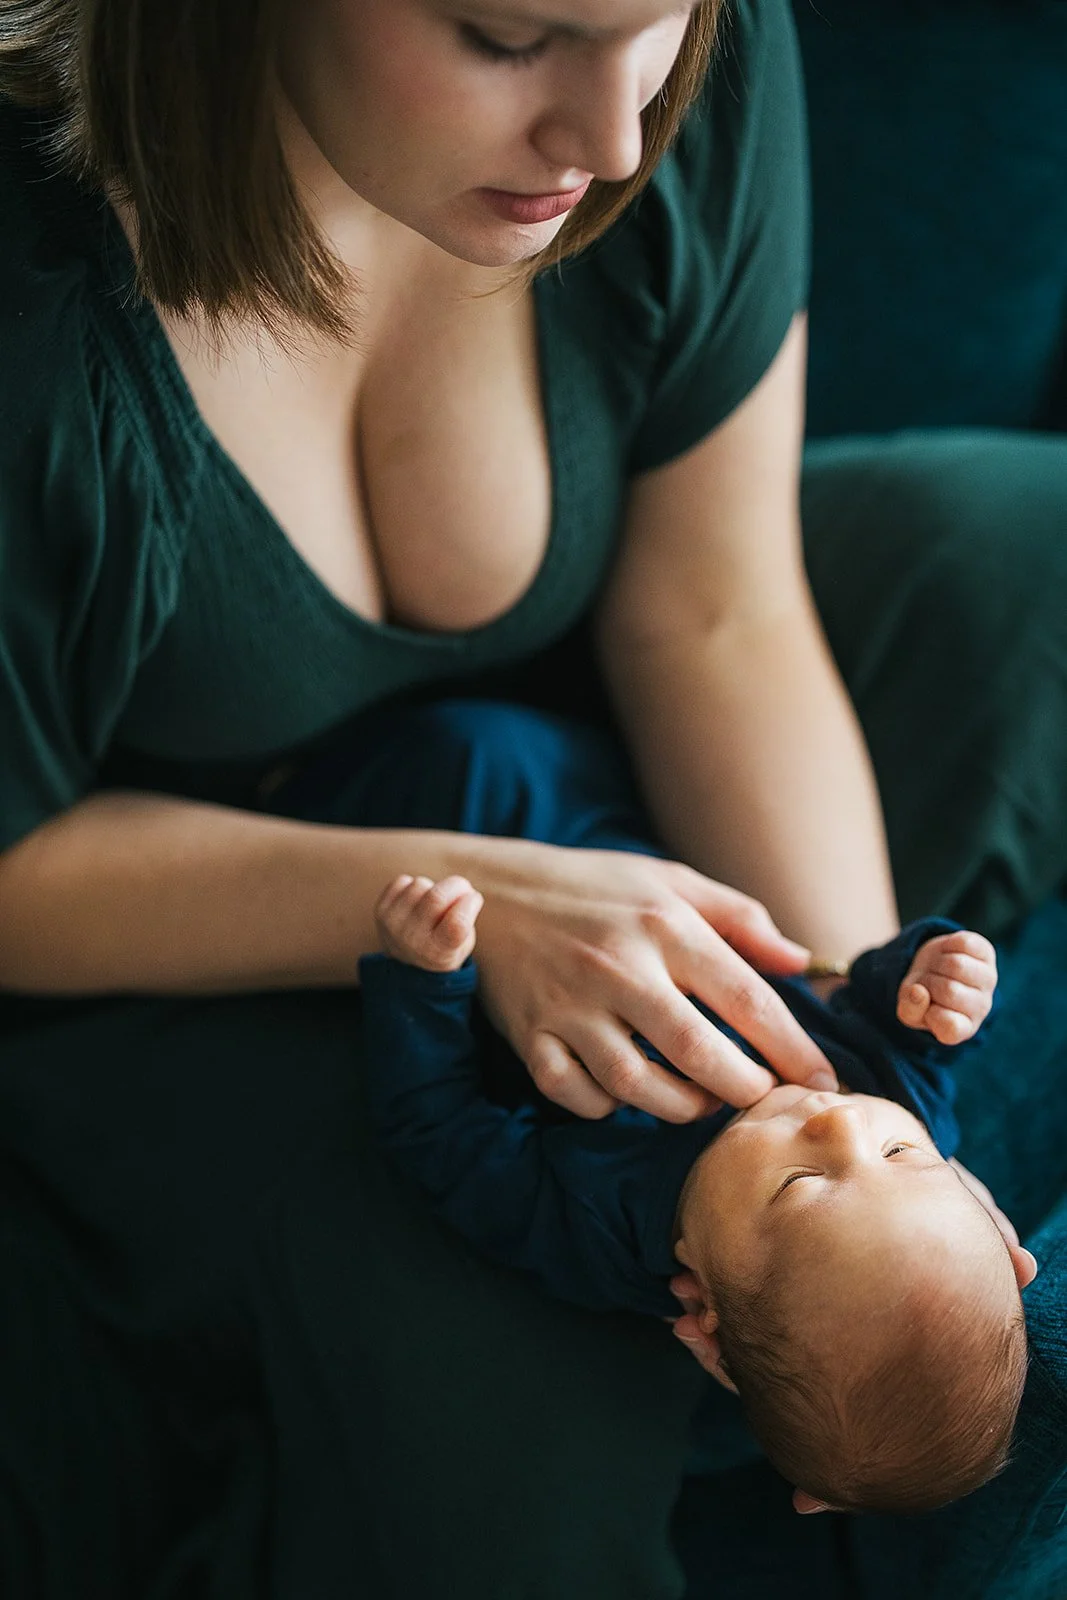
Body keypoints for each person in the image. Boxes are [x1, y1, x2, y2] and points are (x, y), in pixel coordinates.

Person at [0, 0, 1065, 1595]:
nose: (618, 140)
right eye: (508, 36)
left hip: (588, 734)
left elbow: (714, 613)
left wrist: (825, 1012)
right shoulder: (36, 312)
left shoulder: (664, 73)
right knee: (502, 1373)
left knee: (1015, 554)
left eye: (655, 30)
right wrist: (465, 911)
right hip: (188, 925)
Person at [363, 865, 1030, 1517]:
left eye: (799, 1183)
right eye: (899, 1151)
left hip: (463, 896)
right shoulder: (892, 1093)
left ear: (706, 1302)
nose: (841, 1120)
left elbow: (437, 1133)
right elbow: (894, 1014)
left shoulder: (595, 1228)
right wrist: (931, 981)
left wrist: (425, 983)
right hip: (649, 854)